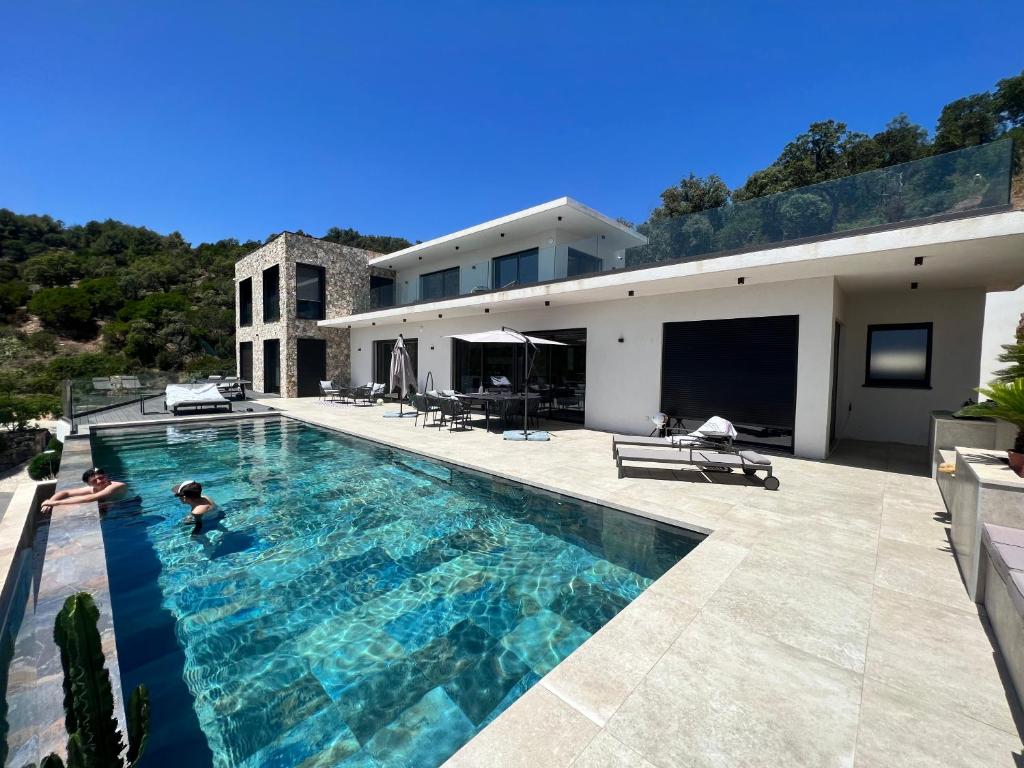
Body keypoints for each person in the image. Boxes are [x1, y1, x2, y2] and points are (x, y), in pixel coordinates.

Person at [41, 467, 127, 512]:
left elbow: (90, 498)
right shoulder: (92, 488)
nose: (99, 481)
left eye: (101, 478)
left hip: (125, 506)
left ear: (106, 476)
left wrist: (55, 503)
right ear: (89, 484)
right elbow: (66, 492)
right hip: (111, 504)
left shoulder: (114, 486)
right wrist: (49, 502)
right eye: (94, 481)